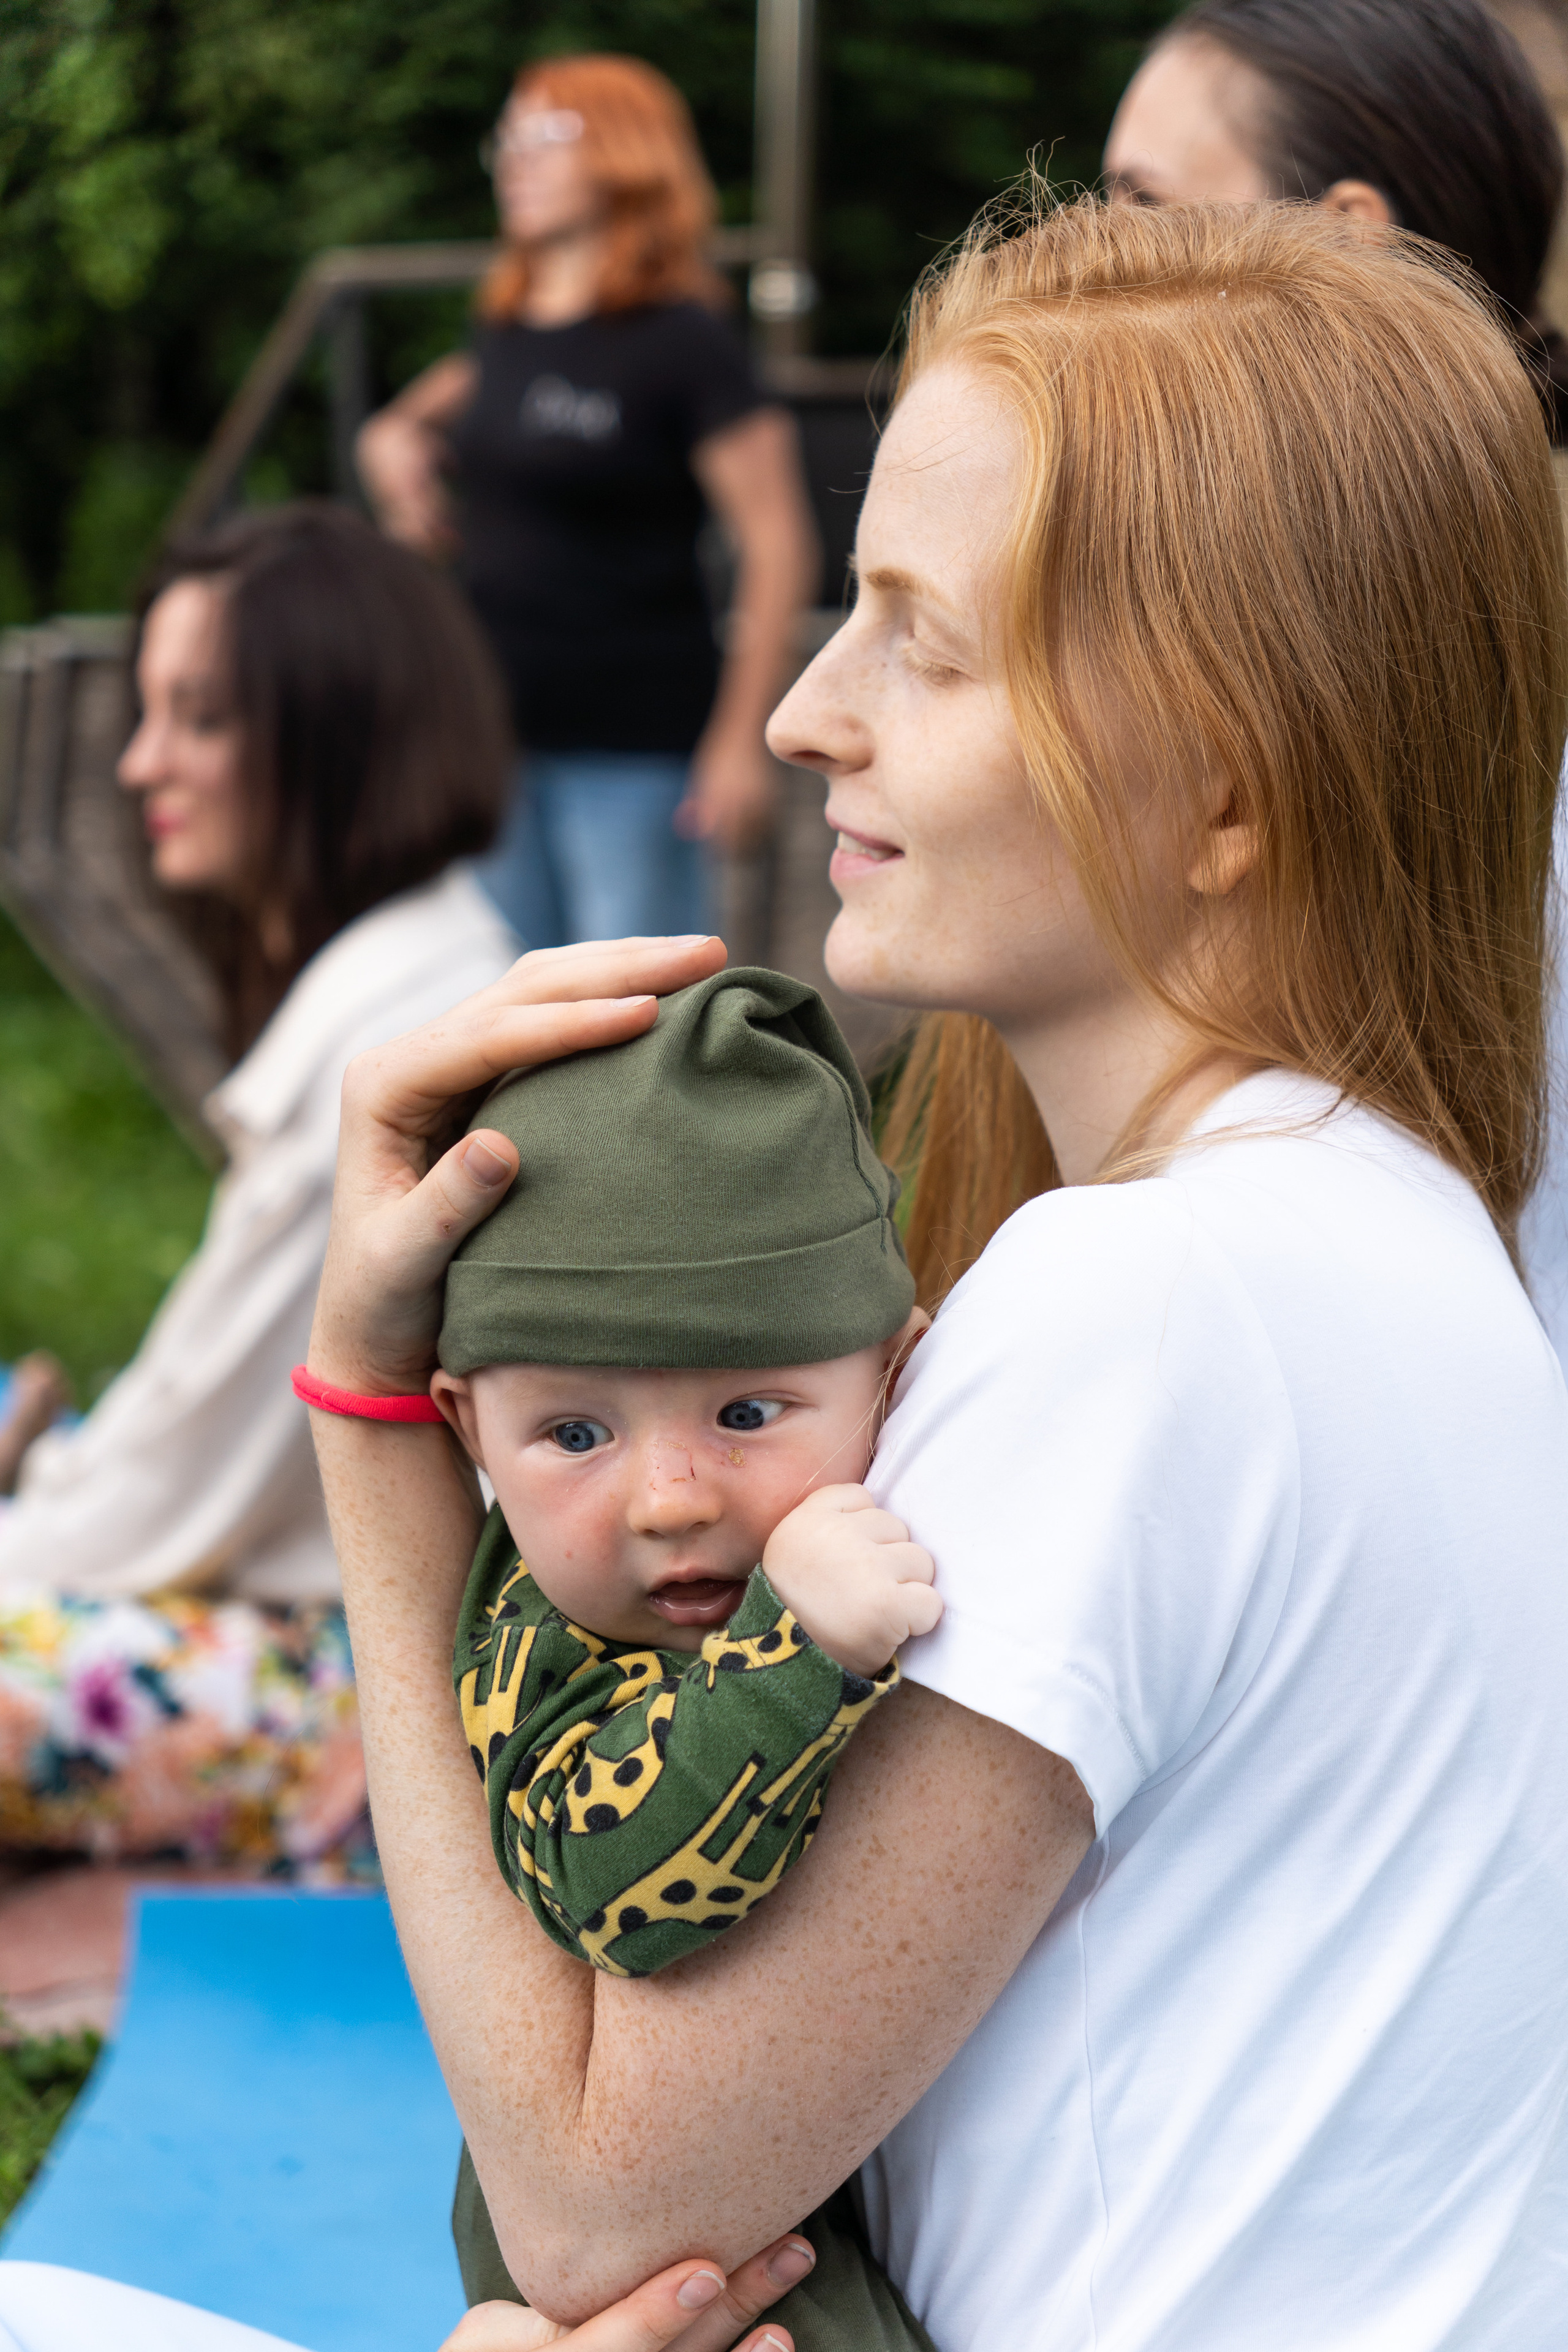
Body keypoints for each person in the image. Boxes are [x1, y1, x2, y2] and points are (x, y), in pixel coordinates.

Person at [281, 185, 1568, 2352]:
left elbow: (598, 2209)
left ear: (1227, 787)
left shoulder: (1152, 1306)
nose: (804, 710)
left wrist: (374, 1424)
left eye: (923, 642)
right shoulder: (1400, 1226)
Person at [387, 964, 935, 2349]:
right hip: (686, 2277)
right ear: (466, 1426)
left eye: (748, 1412)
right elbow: (608, 1889)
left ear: (899, 1372)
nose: (670, 1498)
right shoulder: (532, 1640)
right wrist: (793, 1649)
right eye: (573, 1435)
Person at [0, 502, 519, 1872]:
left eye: (199, 718)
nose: (140, 761)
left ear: (335, 739)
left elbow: (166, 1497)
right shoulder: (414, 980)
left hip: (368, 1695)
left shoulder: (388, 1056)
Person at [1095, 0, 1568, 1370]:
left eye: (1143, 204)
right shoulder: (1278, 605)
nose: (1089, 255)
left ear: (1349, 236)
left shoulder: (1439, 648)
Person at [356, 52, 819, 949]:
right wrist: (390, 439)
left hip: (634, 749)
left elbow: (778, 544)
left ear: (623, 149)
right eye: (507, 139)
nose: (514, 159)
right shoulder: (507, 326)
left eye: (544, 135)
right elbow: (425, 413)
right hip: (492, 734)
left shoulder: (683, 339)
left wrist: (739, 743)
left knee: (635, 1009)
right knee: (509, 1002)